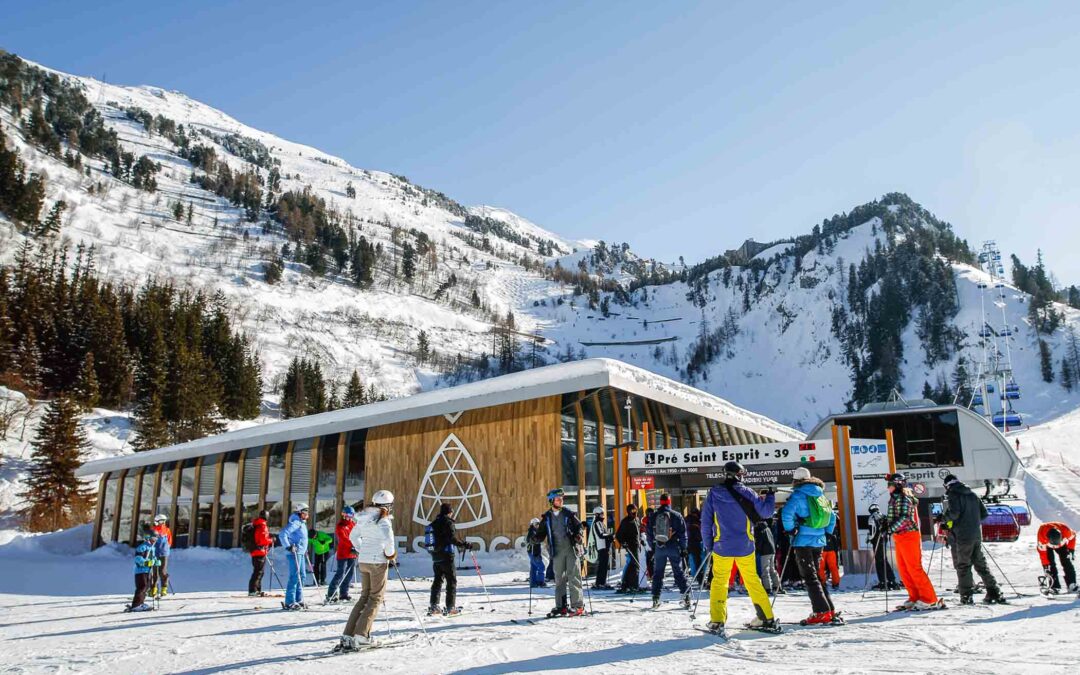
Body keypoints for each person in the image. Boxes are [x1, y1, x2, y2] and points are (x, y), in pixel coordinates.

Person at [700, 461, 779, 636]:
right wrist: (771, 495)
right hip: (745, 546)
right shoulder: (747, 492)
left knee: (719, 582)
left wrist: (708, 545)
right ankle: (766, 617)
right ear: (738, 475)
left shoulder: (713, 493)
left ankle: (717, 621)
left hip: (722, 546)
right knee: (752, 581)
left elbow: (706, 523)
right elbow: (766, 513)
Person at [336, 490, 397, 653]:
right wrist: (390, 554)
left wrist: (363, 550)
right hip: (377, 562)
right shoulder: (383, 520)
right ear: (388, 506)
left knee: (365, 597)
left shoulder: (363, 518)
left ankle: (348, 635)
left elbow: (353, 537)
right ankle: (361, 636)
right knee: (375, 598)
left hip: (364, 561)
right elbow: (389, 540)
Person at [782, 467, 842, 625]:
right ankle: (829, 609)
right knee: (817, 576)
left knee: (810, 577)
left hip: (803, 541)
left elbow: (786, 513)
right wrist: (827, 532)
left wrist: (790, 529)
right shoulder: (820, 494)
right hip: (819, 540)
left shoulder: (798, 494)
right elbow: (832, 516)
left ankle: (821, 612)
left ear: (795, 481)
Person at [940, 474, 1006, 604]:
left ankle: (966, 596)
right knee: (980, 564)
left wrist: (943, 519)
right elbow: (984, 513)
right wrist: (972, 522)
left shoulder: (954, 494)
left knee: (963, 565)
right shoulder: (972, 494)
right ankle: (994, 591)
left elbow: (954, 513)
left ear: (947, 485)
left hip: (963, 536)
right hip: (976, 534)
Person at [884, 473, 942, 610]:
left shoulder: (904, 499)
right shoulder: (894, 499)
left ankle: (930, 599)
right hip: (900, 536)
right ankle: (915, 596)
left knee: (914, 568)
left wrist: (890, 528)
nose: (888, 488)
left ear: (897, 485)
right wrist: (885, 524)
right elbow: (895, 517)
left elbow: (905, 518)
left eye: (889, 485)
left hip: (909, 535)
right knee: (904, 570)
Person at [533, 488, 586, 617]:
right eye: (558, 499)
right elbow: (541, 534)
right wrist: (535, 539)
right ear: (551, 501)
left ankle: (577, 606)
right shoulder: (546, 518)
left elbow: (579, 527)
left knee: (574, 577)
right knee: (559, 580)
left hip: (570, 549)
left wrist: (578, 535)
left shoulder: (569, 514)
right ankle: (561, 606)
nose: (561, 501)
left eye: (562, 499)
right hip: (556, 551)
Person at [427, 503, 475, 616]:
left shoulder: (434, 523)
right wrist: (463, 544)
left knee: (437, 581)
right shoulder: (448, 522)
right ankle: (450, 607)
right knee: (451, 581)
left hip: (435, 556)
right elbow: (451, 538)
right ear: (449, 512)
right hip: (447, 555)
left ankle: (434, 607)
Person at [646, 494, 689, 608]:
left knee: (658, 573)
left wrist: (653, 547)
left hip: (659, 548)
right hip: (673, 546)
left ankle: (655, 598)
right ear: (669, 502)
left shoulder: (654, 516)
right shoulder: (676, 515)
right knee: (678, 571)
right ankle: (686, 596)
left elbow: (649, 533)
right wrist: (683, 548)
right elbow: (683, 534)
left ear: (660, 502)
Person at [280, 503, 311, 610]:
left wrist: (304, 549)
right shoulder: (296, 522)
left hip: (301, 553)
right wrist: (288, 546)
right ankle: (289, 602)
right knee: (294, 577)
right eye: (305, 512)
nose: (307, 514)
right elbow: (283, 533)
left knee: (302, 576)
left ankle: (298, 600)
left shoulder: (301, 523)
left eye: (308, 512)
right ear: (300, 512)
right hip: (294, 553)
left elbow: (301, 538)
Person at [325, 506, 358, 603]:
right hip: (343, 553)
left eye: (351, 516)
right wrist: (353, 545)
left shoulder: (353, 524)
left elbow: (357, 535)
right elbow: (344, 539)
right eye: (347, 516)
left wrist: (357, 545)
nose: (349, 518)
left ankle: (344, 593)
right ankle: (331, 594)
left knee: (350, 573)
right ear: (343, 515)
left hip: (352, 553)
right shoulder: (340, 526)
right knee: (340, 573)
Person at [1036, 521, 1077, 593]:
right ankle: (1054, 586)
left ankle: (1072, 584)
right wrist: (1045, 565)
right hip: (1048, 546)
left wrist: (1071, 549)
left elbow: (1073, 537)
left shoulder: (1065, 530)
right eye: (1054, 545)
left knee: (1067, 562)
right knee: (1050, 565)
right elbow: (1042, 553)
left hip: (1062, 545)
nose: (1055, 546)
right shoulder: (1042, 535)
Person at [867, 504, 899, 590]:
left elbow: (872, 530)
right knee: (884, 560)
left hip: (876, 541)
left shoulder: (872, 517)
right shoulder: (883, 516)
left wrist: (869, 538)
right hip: (884, 540)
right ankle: (892, 581)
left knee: (879, 562)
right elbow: (889, 529)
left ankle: (883, 582)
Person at [127, 524, 158, 612]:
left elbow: (152, 557)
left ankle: (141, 603)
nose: (155, 540)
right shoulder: (142, 547)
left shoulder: (152, 547)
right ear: (148, 538)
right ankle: (136, 605)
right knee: (142, 587)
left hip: (148, 571)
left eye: (156, 538)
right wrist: (146, 562)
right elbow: (138, 558)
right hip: (141, 571)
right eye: (154, 538)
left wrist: (156, 561)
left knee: (146, 587)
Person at [615, 504, 643, 593]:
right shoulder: (625, 521)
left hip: (636, 545)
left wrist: (640, 540)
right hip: (629, 546)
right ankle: (633, 585)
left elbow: (638, 532)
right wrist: (624, 543)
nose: (635, 513)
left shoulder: (637, 520)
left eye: (636, 511)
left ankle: (627, 585)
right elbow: (618, 535)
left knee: (632, 565)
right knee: (635, 566)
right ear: (629, 512)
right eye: (633, 511)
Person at [248, 509, 274, 597]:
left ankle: (257, 590)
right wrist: (271, 540)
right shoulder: (262, 526)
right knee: (258, 572)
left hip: (255, 550)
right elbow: (263, 540)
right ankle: (253, 590)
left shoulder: (256, 524)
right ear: (266, 516)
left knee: (259, 571)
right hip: (259, 551)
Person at [590, 506, 614, 590]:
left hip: (605, 546)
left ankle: (602, 581)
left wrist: (609, 536)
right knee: (602, 565)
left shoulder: (601, 523)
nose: (603, 515)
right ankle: (599, 582)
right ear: (597, 514)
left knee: (604, 565)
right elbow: (600, 534)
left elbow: (604, 533)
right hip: (601, 546)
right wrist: (609, 535)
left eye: (603, 514)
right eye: (601, 514)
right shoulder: (596, 523)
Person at [754, 516, 780, 595]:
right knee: (772, 569)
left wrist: (757, 550)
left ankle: (767, 588)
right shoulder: (767, 528)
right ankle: (777, 586)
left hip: (765, 551)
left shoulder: (759, 529)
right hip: (772, 550)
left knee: (765, 570)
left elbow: (759, 541)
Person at [149, 514, 172, 598]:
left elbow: (169, 541)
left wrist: (165, 548)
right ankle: (153, 589)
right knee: (154, 572)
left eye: (164, 521)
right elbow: (149, 541)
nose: (163, 523)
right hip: (154, 553)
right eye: (161, 521)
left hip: (164, 553)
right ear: (157, 522)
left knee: (162, 571)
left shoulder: (167, 530)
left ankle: (164, 588)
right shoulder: (153, 530)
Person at [819, 522, 841, 590]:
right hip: (831, 549)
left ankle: (822, 582)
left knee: (820, 567)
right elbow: (835, 539)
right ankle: (836, 583)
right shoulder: (832, 526)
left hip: (822, 549)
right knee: (833, 567)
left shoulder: (819, 525)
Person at [526, 517, 546, 588]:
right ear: (532, 524)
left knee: (534, 567)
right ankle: (540, 582)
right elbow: (531, 540)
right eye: (536, 524)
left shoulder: (534, 531)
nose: (537, 525)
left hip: (533, 552)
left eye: (538, 524)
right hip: (534, 552)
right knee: (541, 567)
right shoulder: (532, 532)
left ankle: (533, 583)